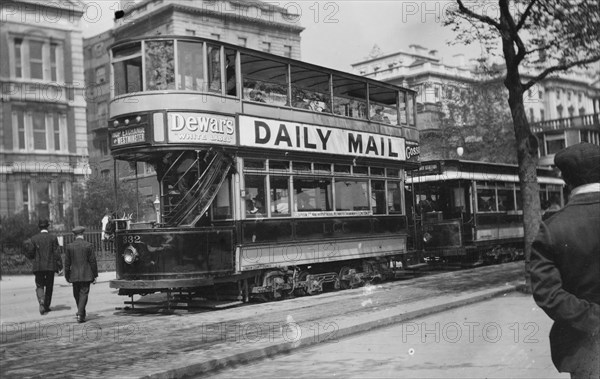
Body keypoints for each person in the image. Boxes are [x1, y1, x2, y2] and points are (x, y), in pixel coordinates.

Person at [529, 142, 600, 379]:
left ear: (565, 181)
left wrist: (594, 319)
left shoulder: (551, 229)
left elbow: (547, 294)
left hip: (584, 350)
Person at [24, 219, 61, 315]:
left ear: (39, 227)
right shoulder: (53, 238)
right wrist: (60, 266)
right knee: (49, 286)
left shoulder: (34, 238)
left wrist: (33, 258)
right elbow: (57, 253)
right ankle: (46, 305)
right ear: (47, 226)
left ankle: (41, 300)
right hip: (50, 266)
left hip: (38, 267)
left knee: (39, 285)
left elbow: (30, 253)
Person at [65, 226, 98, 323]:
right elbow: (93, 262)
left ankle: (81, 314)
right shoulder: (88, 245)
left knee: (77, 295)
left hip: (74, 275)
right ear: (82, 234)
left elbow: (67, 263)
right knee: (83, 294)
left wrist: (67, 276)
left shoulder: (69, 246)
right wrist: (95, 275)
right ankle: (80, 313)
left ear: (74, 235)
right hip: (86, 274)